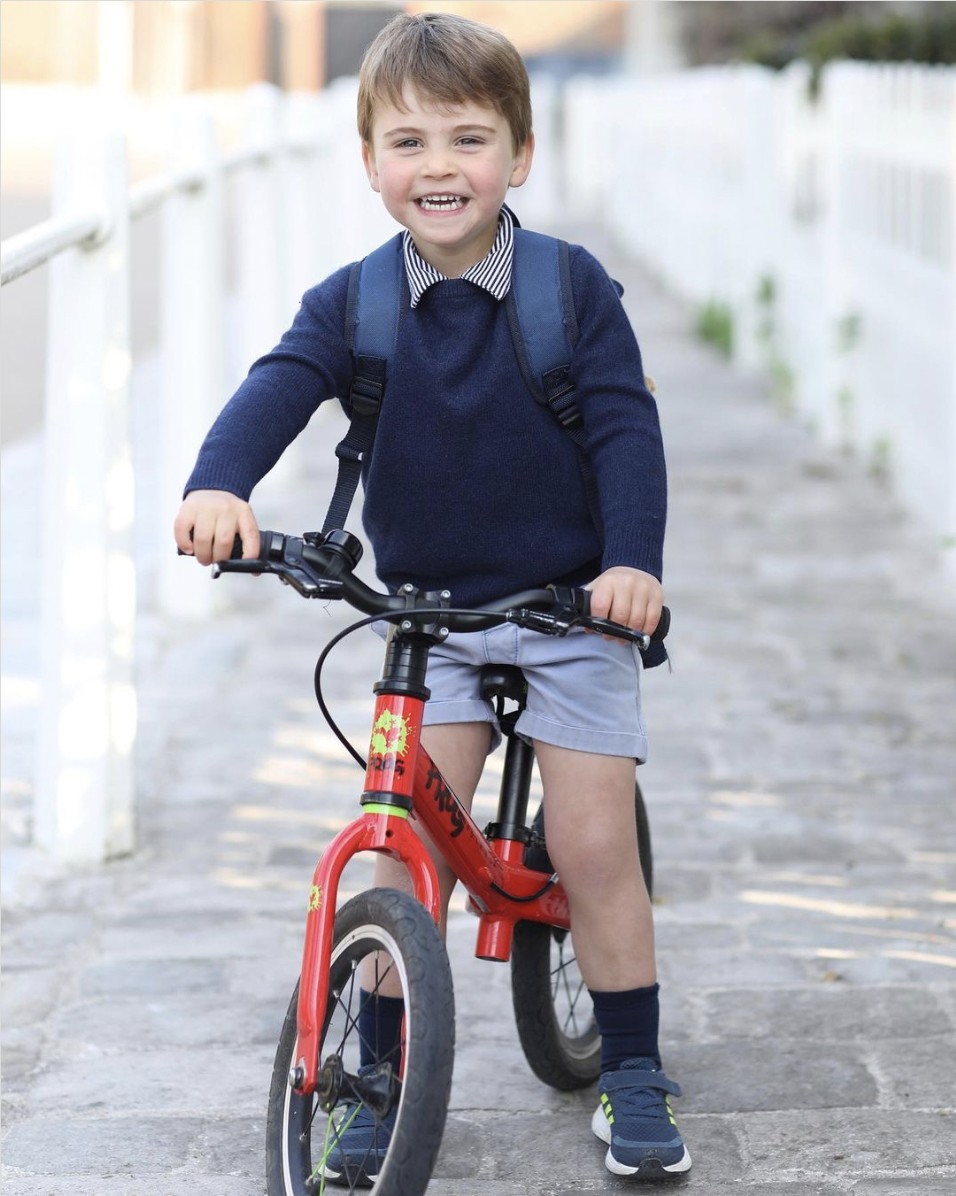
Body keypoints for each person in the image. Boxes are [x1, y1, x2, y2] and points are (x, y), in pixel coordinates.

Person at [174, 10, 690, 1185]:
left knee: (592, 839)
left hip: (571, 607)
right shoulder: (351, 302)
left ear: (518, 154)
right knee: (404, 853)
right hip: (424, 615)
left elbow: (623, 424)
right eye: (408, 143)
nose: (439, 167)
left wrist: (632, 562)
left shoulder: (569, 289)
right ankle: (371, 1074)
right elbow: (280, 386)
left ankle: (631, 1066)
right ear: (368, 164)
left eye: (468, 138)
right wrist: (219, 484)